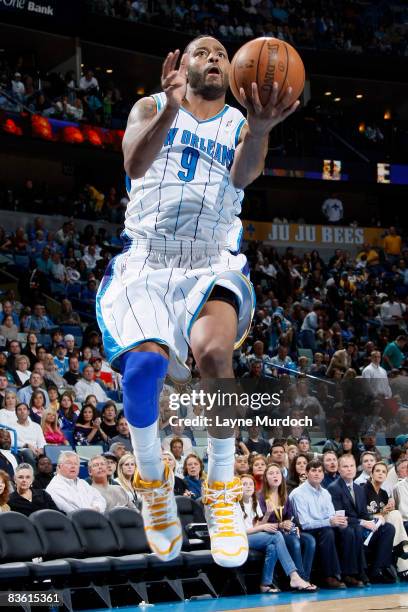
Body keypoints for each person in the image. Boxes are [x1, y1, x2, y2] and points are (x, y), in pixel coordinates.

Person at [95, 35, 299, 566]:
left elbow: (245, 173)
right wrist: (168, 107)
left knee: (214, 355)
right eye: (202, 52)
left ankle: (222, 488)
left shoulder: (238, 122)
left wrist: (260, 129)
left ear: (231, 72)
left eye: (220, 55)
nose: (213, 58)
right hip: (148, 258)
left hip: (211, 258)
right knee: (143, 368)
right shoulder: (150, 105)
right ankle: (152, 482)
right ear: (182, 65)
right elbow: (134, 165)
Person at [240, 474, 316, 593]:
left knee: (272, 547)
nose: (248, 487)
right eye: (244, 484)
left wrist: (267, 514)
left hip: (253, 535)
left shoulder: (253, 501)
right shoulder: (234, 505)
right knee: (276, 535)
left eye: (250, 484)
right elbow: (241, 531)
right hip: (240, 538)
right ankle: (294, 576)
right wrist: (264, 526)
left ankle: (265, 584)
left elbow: (257, 525)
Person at [290, 459, 358, 588]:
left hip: (325, 527)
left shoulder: (325, 493)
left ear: (323, 474)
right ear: (306, 473)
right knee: (328, 533)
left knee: (347, 530)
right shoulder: (298, 494)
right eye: (313, 470)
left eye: (320, 471)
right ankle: (330, 576)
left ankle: (349, 574)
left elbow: (331, 515)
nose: (317, 474)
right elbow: (304, 524)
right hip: (304, 531)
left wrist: (339, 522)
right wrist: (329, 522)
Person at [328, 455, 396, 584]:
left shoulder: (359, 489)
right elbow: (340, 516)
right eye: (345, 466)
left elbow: (364, 514)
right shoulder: (334, 488)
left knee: (388, 528)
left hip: (360, 525)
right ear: (339, 469)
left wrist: (375, 519)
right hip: (344, 527)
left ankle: (377, 570)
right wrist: (363, 522)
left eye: (351, 466)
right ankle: (356, 572)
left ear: (355, 468)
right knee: (356, 530)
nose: (349, 469)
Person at [258, 462, 316, 585]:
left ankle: (305, 578)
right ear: (266, 478)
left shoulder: (284, 495)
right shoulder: (261, 497)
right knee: (295, 542)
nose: (275, 476)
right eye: (271, 473)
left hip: (285, 530)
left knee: (310, 540)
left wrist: (290, 523)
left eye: (277, 473)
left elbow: (290, 516)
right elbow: (260, 524)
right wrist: (280, 525)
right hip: (271, 533)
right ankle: (298, 579)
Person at [364, 461, 408, 581]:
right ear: (371, 474)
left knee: (394, 513)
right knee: (395, 515)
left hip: (382, 526)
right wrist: (382, 512)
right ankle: (402, 549)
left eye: (384, 472)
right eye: (377, 471)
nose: (380, 474)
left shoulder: (384, 494)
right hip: (367, 526)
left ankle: (399, 552)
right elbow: (363, 515)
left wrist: (387, 510)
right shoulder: (363, 489)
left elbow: (385, 515)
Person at [14, 402, 46, 468]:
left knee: (48, 452)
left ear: (28, 412)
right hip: (21, 450)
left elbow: (42, 442)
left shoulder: (36, 426)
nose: (22, 411)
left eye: (24, 409)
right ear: (16, 413)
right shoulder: (12, 426)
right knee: (28, 452)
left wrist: (40, 449)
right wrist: (27, 445)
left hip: (36, 450)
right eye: (19, 410)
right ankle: (34, 476)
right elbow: (12, 442)